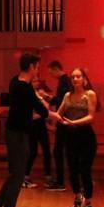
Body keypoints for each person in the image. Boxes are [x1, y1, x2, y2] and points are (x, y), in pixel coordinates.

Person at [0, 53, 58, 207]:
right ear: (31, 67)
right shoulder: (24, 87)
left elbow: (31, 108)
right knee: (18, 176)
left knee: (15, 174)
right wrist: (55, 116)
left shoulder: (14, 81)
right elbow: (40, 109)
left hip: (17, 132)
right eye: (37, 67)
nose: (38, 71)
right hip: (17, 134)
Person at [57, 68, 99, 207]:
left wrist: (74, 122)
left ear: (84, 79)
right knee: (73, 169)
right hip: (71, 136)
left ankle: (88, 202)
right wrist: (52, 117)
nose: (75, 79)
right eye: (73, 77)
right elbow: (59, 113)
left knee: (85, 170)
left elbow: (91, 116)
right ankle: (77, 196)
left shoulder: (90, 94)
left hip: (86, 135)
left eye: (78, 76)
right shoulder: (67, 95)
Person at [45, 60, 72, 191]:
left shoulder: (64, 81)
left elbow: (63, 102)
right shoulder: (64, 81)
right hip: (65, 120)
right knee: (62, 150)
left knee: (58, 151)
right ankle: (63, 180)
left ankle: (60, 181)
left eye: (51, 72)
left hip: (64, 121)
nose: (51, 75)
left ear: (56, 69)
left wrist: (50, 98)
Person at [22, 77, 52, 189]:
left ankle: (48, 176)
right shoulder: (28, 95)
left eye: (37, 81)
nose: (37, 83)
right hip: (32, 126)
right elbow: (30, 114)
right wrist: (42, 114)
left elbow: (46, 108)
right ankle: (25, 177)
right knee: (32, 151)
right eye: (34, 81)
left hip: (41, 125)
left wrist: (43, 97)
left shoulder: (39, 94)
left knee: (47, 150)